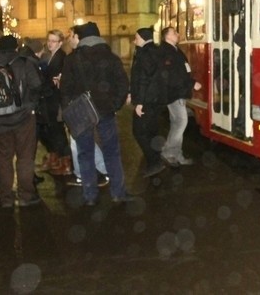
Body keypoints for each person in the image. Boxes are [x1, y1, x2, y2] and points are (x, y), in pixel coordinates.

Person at [60, 22, 132, 206]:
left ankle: (90, 195)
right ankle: (118, 192)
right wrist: (114, 105)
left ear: (82, 37)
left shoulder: (71, 59)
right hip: (106, 111)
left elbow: (65, 90)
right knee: (112, 152)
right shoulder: (111, 57)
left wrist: (70, 110)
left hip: (82, 112)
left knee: (85, 153)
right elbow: (123, 84)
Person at [0, 35, 43, 208]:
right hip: (23, 119)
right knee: (25, 158)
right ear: (16, 47)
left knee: (4, 159)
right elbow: (37, 85)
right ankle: (26, 195)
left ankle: (6, 198)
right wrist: (30, 105)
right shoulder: (24, 63)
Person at [158, 26, 201, 167]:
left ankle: (174, 154)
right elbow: (174, 76)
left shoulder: (174, 50)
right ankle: (170, 152)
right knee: (181, 122)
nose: (177, 34)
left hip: (177, 92)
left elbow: (182, 70)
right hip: (174, 93)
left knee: (177, 123)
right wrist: (191, 83)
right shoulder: (166, 52)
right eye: (174, 32)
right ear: (167, 36)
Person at [129, 27, 165, 178]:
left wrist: (139, 102)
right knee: (152, 131)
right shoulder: (157, 51)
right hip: (157, 99)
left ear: (143, 38)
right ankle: (156, 159)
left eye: (136, 37)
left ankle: (154, 161)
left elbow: (143, 80)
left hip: (146, 101)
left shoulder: (143, 53)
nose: (134, 40)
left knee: (139, 132)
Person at [36, 30, 72, 176]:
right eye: (49, 40)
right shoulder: (47, 56)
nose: (50, 43)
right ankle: (55, 157)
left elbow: (55, 80)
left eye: (53, 41)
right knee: (49, 130)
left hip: (55, 100)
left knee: (57, 131)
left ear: (60, 43)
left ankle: (65, 161)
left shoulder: (61, 58)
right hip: (48, 100)